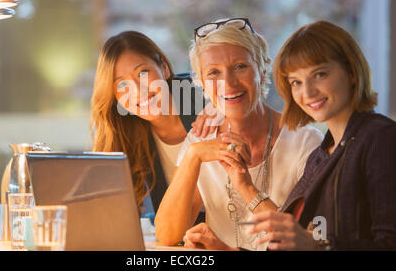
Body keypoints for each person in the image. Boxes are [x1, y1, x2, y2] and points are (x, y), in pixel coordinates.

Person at [183, 20, 396, 251]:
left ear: (352, 72)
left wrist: (319, 246)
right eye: (296, 81)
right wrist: (223, 250)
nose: (307, 92)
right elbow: (287, 242)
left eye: (320, 74)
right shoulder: (322, 155)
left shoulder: (380, 139)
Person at [154, 18, 323, 250]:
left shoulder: (306, 141)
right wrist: (193, 155)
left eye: (240, 67)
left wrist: (246, 188)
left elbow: (308, 244)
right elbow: (167, 234)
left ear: (263, 71)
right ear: (202, 83)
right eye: (213, 72)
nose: (228, 83)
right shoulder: (200, 140)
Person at [90, 30, 208, 218]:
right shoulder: (126, 133)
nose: (137, 91)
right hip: (178, 242)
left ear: (164, 67)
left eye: (143, 73)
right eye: (121, 85)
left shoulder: (207, 101)